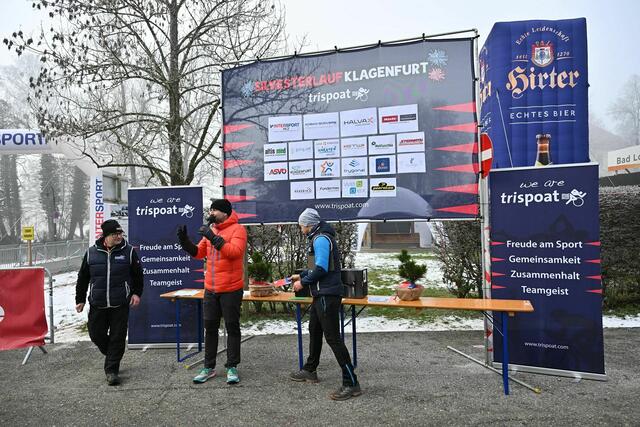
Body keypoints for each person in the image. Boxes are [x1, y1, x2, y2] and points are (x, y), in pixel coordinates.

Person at [289, 208, 362, 401]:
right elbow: (320, 267)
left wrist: (303, 282)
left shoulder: (320, 239)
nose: (301, 229)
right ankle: (310, 370)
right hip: (321, 294)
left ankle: (351, 382)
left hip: (326, 296)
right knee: (314, 329)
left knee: (333, 339)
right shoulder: (319, 237)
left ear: (308, 224)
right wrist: (302, 275)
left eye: (301, 225)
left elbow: (321, 269)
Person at [176, 198, 247, 385]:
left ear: (225, 213)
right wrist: (184, 241)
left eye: (215, 210)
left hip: (231, 289)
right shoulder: (212, 230)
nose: (211, 213)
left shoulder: (238, 229)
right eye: (211, 210)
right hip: (211, 289)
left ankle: (232, 366)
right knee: (210, 329)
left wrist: (213, 238)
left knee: (232, 328)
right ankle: (208, 367)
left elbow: (235, 252)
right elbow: (199, 253)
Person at [75, 219, 144, 386]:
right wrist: (80, 299)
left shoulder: (128, 251)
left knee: (118, 337)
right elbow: (83, 277)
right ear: (105, 236)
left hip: (120, 303)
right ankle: (113, 354)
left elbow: (138, 275)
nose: (119, 237)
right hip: (97, 303)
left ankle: (112, 371)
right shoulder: (91, 252)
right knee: (96, 334)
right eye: (115, 234)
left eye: (120, 234)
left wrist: (136, 293)